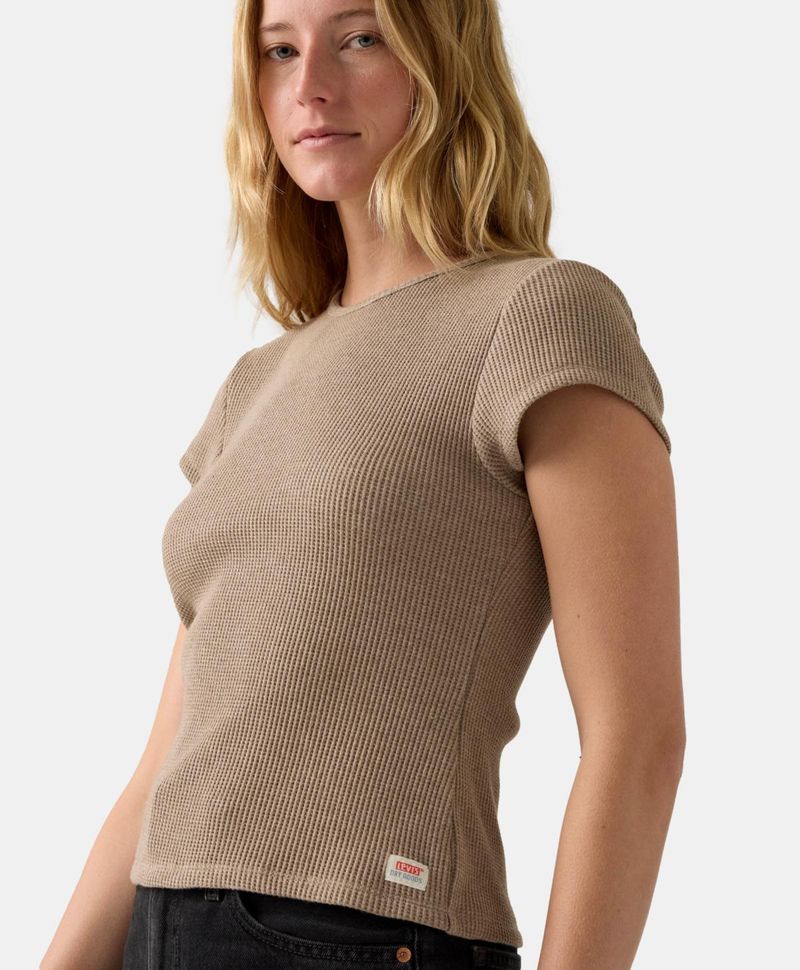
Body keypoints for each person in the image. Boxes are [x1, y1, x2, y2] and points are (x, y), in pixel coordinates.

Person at [41, 0, 684, 967]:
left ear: (442, 59)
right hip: (160, 926)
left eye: (359, 38)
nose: (309, 88)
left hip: (355, 933)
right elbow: (164, 768)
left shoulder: (538, 314)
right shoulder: (255, 384)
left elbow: (639, 738)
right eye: (279, 51)